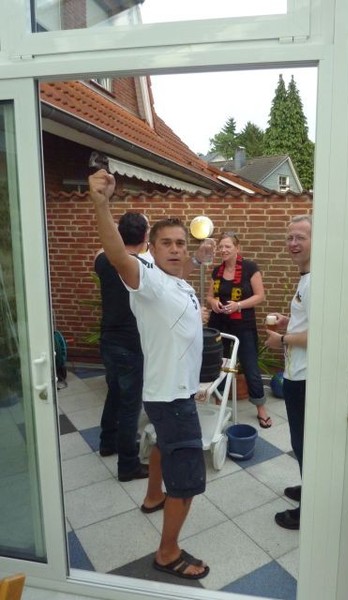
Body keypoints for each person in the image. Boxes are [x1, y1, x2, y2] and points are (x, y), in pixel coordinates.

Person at [89, 169, 210, 580]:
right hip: (171, 396)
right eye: (167, 244)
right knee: (187, 477)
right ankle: (167, 553)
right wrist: (102, 204)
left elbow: (182, 283)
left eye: (181, 243)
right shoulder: (148, 280)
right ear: (151, 248)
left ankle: (153, 495)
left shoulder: (177, 281)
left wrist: (198, 263)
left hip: (173, 390)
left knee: (162, 444)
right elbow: (117, 256)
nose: (176, 250)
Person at [95, 212, 150, 482]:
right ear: (145, 236)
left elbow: (103, 249)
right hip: (130, 344)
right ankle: (128, 465)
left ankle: (107, 442)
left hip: (108, 340)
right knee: (130, 405)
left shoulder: (101, 260)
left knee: (114, 393)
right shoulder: (141, 267)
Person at [265, 215, 312, 530]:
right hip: (297, 372)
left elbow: (321, 333)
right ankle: (310, 488)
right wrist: (289, 322)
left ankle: (310, 509)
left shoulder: (316, 280)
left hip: (306, 377)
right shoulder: (306, 277)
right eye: (289, 237)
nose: (293, 244)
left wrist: (281, 339)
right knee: (300, 442)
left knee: (305, 444)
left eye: (300, 238)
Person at [206, 232, 272, 428]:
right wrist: (214, 302)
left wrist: (239, 305)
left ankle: (261, 408)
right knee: (219, 364)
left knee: (250, 366)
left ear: (237, 248)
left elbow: (260, 296)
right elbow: (209, 296)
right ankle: (219, 404)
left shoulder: (250, 268)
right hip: (219, 324)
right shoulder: (216, 271)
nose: (223, 250)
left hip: (243, 325)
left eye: (228, 246)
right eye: (221, 247)